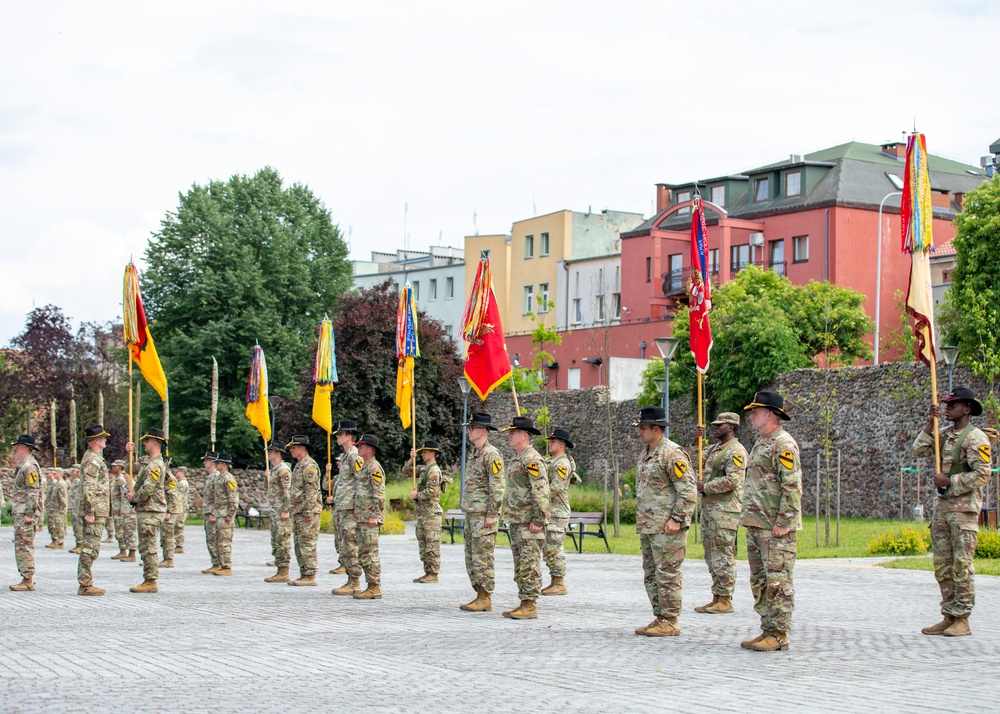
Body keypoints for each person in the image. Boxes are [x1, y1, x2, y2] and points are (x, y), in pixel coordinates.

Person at [913, 387, 992, 638]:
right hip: (943, 510)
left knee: (961, 565)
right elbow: (918, 450)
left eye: (953, 405)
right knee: (942, 565)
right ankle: (948, 615)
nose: (948, 408)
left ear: (967, 409)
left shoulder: (977, 439)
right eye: (946, 404)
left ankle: (963, 618)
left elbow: (983, 475)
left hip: (964, 511)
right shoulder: (944, 436)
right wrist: (929, 423)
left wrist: (950, 481)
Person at [739, 391, 802, 652]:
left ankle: (779, 634)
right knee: (761, 581)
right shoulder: (761, 442)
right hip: (757, 524)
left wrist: (784, 522)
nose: (751, 415)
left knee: (778, 581)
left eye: (756, 411)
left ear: (771, 414)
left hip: (774, 528)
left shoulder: (783, 444)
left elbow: (792, 485)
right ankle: (767, 628)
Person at [631, 407, 696, 637]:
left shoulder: (672, 453)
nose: (639, 432)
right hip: (650, 526)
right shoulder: (648, 452)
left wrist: (677, 519)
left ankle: (671, 620)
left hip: (668, 527)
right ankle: (660, 615)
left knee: (668, 573)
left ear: (656, 429)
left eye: (643, 428)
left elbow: (688, 490)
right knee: (651, 573)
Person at [692, 413, 748, 614]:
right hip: (710, 510)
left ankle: (725, 598)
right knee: (711, 553)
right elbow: (694, 460)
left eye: (719, 425)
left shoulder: (736, 451)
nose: (714, 428)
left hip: (725, 511)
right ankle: (717, 595)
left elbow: (733, 480)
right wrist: (696, 441)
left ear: (731, 427)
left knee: (723, 554)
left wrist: (705, 487)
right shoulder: (715, 449)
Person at [500, 416, 550, 620]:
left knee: (529, 563)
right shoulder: (518, 459)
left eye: (512, 433)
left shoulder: (532, 460)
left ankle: (530, 605)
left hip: (529, 522)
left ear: (523, 435)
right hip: (517, 520)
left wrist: (539, 519)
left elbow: (541, 492)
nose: (509, 436)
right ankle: (523, 600)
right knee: (520, 563)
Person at [459, 413, 505, 612]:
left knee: (482, 556)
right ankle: (479, 593)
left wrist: (492, 513)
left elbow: (498, 486)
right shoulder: (475, 454)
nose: (468, 431)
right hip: (472, 513)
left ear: (483, 431)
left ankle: (485, 597)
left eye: (472, 427)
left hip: (483, 515)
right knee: (471, 556)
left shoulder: (491, 454)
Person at [126, 428, 168, 593]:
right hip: (147, 510)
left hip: (151, 510)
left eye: (147, 440)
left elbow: (148, 489)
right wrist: (128, 454)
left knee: (148, 546)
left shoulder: (156, 465)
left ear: (155, 442)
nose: (144, 443)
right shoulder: (150, 463)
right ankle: (148, 578)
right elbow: (131, 468)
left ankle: (150, 580)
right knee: (145, 546)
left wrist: (134, 498)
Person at [77, 425, 111, 596]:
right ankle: (85, 584)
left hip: (98, 509)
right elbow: (89, 487)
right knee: (90, 548)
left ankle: (86, 582)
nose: (105, 440)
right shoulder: (93, 459)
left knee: (92, 547)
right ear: (96, 441)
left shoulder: (96, 458)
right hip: (95, 511)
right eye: (103, 438)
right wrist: (90, 511)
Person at [332, 422, 364, 596]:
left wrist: (358, 507)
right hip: (343, 508)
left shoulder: (354, 456)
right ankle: (351, 580)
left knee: (351, 546)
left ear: (349, 436)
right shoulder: (346, 456)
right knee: (345, 546)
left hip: (351, 509)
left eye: (340, 434)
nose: (337, 436)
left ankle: (355, 582)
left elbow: (361, 480)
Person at [542, 428, 574, 596]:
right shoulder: (550, 462)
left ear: (562, 444)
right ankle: (554, 581)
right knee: (548, 547)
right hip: (549, 511)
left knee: (554, 547)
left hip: (558, 512)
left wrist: (538, 490)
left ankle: (559, 582)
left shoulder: (562, 464)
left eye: (553, 441)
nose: (550, 444)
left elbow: (556, 487)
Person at [8, 435, 42, 592]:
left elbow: (33, 491)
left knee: (25, 546)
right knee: (21, 545)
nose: (16, 450)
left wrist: (30, 513)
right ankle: (25, 577)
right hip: (21, 512)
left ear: (26, 448)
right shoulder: (24, 465)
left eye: (18, 447)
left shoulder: (29, 466)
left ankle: (27, 579)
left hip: (25, 514)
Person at [353, 434, 385, 600]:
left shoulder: (374, 468)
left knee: (370, 553)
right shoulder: (365, 466)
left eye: (361, 446)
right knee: (364, 552)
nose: (358, 449)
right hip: (362, 517)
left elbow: (378, 494)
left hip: (369, 518)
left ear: (370, 449)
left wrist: (374, 515)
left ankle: (374, 586)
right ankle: (370, 585)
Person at [286, 435, 321, 586]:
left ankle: (310, 575)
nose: (291, 450)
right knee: (299, 543)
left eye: (293, 447)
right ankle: (304, 573)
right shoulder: (299, 465)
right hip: (298, 511)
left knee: (307, 543)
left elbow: (311, 491)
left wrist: (308, 511)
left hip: (307, 512)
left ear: (302, 448)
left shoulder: (309, 466)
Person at [409, 439, 444, 583]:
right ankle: (427, 571)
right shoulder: (424, 469)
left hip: (431, 514)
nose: (422, 454)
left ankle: (433, 573)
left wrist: (418, 495)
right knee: (423, 543)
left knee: (432, 544)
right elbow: (406, 472)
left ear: (432, 453)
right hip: (423, 513)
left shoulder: (434, 471)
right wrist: (411, 460)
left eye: (424, 452)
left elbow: (433, 491)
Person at [264, 442, 293, 583]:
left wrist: (286, 510)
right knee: (276, 540)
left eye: (271, 451)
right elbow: (271, 490)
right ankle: (279, 568)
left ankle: (284, 571)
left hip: (282, 511)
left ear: (278, 453)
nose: (268, 453)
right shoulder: (275, 470)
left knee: (282, 541)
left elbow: (288, 492)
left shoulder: (283, 470)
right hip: (276, 510)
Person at [209, 453, 239, 576]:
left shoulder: (228, 478)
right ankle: (221, 564)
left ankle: (226, 566)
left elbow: (233, 498)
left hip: (225, 514)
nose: (216, 464)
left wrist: (231, 514)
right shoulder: (218, 478)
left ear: (225, 464)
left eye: (218, 463)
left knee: (225, 541)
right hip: (219, 514)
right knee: (219, 541)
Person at [110, 460, 137, 562]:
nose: (124, 475)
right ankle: (126, 552)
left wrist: (133, 513)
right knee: (126, 533)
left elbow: (135, 501)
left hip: (129, 513)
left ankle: (132, 554)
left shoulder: (132, 485)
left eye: (126, 474)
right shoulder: (127, 484)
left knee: (130, 533)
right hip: (124, 512)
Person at [160, 461, 183, 568]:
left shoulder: (169, 478)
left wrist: (168, 511)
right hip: (168, 509)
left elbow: (173, 496)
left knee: (168, 535)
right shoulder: (165, 477)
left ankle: (168, 560)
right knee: (165, 535)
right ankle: (166, 558)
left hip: (171, 511)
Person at [200, 451, 220, 574]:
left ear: (212, 461)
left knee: (214, 538)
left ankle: (217, 562)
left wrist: (214, 513)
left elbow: (218, 497)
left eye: (206, 460)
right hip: (207, 511)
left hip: (212, 512)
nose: (204, 462)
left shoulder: (216, 476)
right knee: (210, 538)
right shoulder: (210, 476)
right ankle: (215, 562)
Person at [44, 469, 68, 549]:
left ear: (59, 474)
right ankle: (55, 541)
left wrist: (62, 507)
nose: (54, 475)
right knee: (55, 525)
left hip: (58, 508)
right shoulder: (57, 483)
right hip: (54, 507)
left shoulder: (61, 484)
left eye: (55, 473)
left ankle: (60, 542)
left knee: (59, 525)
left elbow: (63, 497)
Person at [173, 466, 189, 553]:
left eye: (178, 472)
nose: (176, 473)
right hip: (180, 507)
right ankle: (178, 544)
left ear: (182, 472)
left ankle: (179, 545)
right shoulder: (181, 482)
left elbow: (178, 496)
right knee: (178, 526)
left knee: (179, 526)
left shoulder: (182, 483)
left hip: (181, 507)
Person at [68, 468, 83, 554]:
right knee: (76, 527)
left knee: (79, 526)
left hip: (78, 507)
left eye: (73, 471)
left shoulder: (80, 481)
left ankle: (80, 544)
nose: (71, 472)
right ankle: (78, 544)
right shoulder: (75, 481)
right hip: (74, 507)